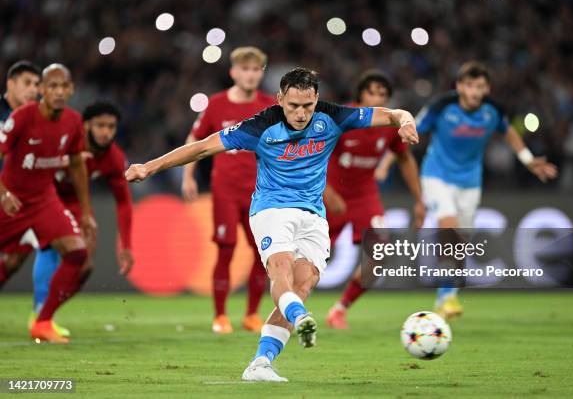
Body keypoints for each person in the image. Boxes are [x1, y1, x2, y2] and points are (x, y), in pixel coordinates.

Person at [125, 67, 419, 382]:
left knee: (302, 285)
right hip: (271, 210)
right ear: (280, 99)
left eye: (307, 105)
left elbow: (393, 113)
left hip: (313, 216)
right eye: (293, 105)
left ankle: (261, 363)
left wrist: (406, 121)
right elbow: (202, 147)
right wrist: (150, 166)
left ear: (316, 99)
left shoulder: (332, 117)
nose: (301, 113)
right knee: (281, 270)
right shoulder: (260, 126)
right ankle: (300, 317)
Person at [410, 61, 557, 319]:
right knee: (450, 227)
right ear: (459, 87)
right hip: (436, 175)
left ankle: (447, 296)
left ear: (487, 88)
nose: (475, 92)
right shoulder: (441, 107)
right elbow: (410, 130)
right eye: (469, 85)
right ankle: (446, 296)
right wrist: (387, 157)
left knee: (460, 242)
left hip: (470, 183)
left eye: (480, 86)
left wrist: (528, 159)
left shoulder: (492, 113)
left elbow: (509, 132)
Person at [0, 63, 96, 343]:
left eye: (64, 86)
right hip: (13, 200)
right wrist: (3, 194)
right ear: (41, 90)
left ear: (72, 90)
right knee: (11, 261)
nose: (59, 92)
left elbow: (77, 164)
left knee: (78, 254)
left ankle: (43, 322)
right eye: (52, 86)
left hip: (44, 200)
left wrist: (87, 212)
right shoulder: (21, 117)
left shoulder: (73, 121)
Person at [182, 47, 275, 334]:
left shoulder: (271, 106)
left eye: (255, 70)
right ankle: (220, 316)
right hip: (225, 189)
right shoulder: (216, 104)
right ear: (233, 72)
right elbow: (195, 138)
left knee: (263, 252)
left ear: (261, 73)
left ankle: (251, 315)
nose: (249, 75)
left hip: (260, 191)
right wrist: (188, 175)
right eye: (244, 69)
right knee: (226, 250)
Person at [324, 70, 425, 330]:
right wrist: (326, 191)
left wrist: (419, 200)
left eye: (382, 94)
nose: (376, 97)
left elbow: (405, 159)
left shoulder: (389, 126)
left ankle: (340, 309)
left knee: (381, 253)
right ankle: (292, 309)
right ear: (360, 94)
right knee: (310, 257)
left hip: (364, 197)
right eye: (372, 92)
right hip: (329, 195)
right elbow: (313, 155)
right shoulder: (342, 118)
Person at [29, 101, 134, 336]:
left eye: (111, 126)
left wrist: (126, 245)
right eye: (100, 126)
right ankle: (40, 316)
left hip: (77, 205)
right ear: (86, 125)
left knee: (85, 266)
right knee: (33, 253)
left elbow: (124, 202)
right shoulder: (65, 141)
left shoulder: (114, 158)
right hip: (42, 197)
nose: (106, 132)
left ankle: (45, 314)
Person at [0, 60, 41, 125]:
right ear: (11, 84)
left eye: (36, 84)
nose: (33, 90)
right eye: (27, 83)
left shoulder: (39, 118)